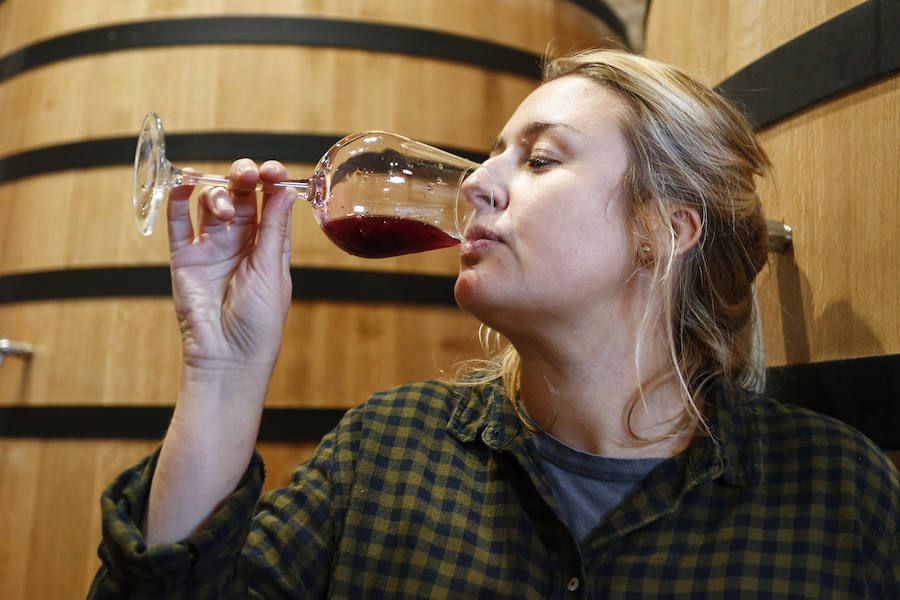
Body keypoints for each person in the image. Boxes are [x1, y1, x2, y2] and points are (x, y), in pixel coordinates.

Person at [88, 50, 899, 598]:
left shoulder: (841, 493)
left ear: (665, 230)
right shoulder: (387, 451)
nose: (477, 181)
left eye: (541, 159)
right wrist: (222, 371)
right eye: (494, 154)